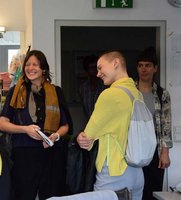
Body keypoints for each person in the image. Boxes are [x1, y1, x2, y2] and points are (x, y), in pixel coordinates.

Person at [0, 50, 73, 200]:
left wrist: (56, 135)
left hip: (52, 154)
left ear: (43, 69)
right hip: (24, 154)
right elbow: (2, 124)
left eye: (35, 65)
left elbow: (65, 125)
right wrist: (25, 129)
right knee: (23, 195)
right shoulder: (16, 91)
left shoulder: (56, 92)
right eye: (27, 64)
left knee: (52, 195)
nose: (30, 68)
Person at [76, 50, 144, 200]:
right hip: (136, 171)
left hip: (114, 171)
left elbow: (87, 139)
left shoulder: (110, 94)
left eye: (100, 68)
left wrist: (82, 138)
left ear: (115, 63)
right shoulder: (135, 92)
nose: (98, 73)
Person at [136, 47, 172, 200]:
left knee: (153, 190)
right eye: (141, 65)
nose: (144, 69)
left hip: (155, 149)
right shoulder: (129, 91)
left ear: (155, 68)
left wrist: (165, 152)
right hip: (133, 148)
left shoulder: (161, 94)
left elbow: (166, 124)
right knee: (134, 188)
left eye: (148, 65)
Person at [79, 54, 106, 120]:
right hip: (90, 124)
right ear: (86, 70)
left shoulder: (105, 85)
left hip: (105, 124)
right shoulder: (83, 88)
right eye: (91, 68)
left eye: (96, 68)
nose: (94, 70)